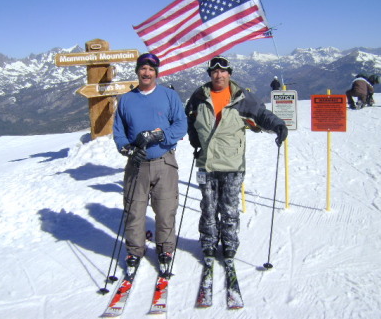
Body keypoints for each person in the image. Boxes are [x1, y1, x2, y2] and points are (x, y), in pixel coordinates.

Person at [185, 56, 288, 260]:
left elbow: (261, 114)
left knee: (229, 208)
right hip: (207, 163)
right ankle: (208, 243)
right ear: (210, 74)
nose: (219, 74)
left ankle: (230, 243)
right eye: (214, 71)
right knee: (208, 208)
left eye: (223, 71)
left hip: (233, 163)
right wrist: (195, 143)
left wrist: (278, 125)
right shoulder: (198, 97)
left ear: (229, 74)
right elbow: (190, 121)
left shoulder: (241, 97)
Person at [113, 52, 187, 273]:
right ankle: (135, 250)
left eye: (151, 69)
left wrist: (161, 135)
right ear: (137, 71)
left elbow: (181, 124)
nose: (146, 73)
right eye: (143, 69)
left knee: (165, 208)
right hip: (137, 164)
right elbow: (119, 131)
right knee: (134, 209)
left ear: (156, 73)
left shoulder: (168, 96)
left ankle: (165, 248)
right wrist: (127, 148)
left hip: (164, 161)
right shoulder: (126, 100)